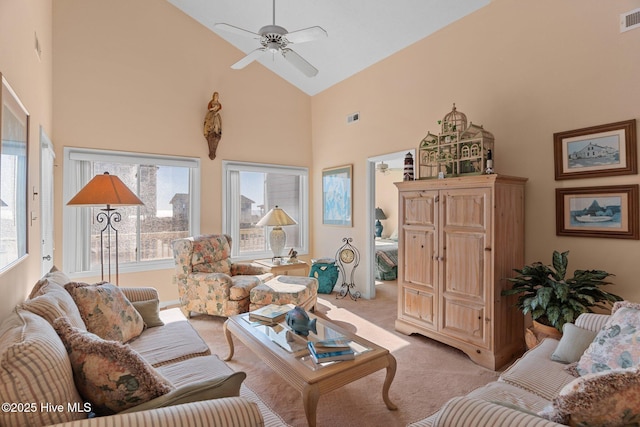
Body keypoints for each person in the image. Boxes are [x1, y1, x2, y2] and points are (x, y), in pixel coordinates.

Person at [203, 91, 222, 159]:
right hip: (211, 114)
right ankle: (211, 130)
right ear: (213, 96)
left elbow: (220, 109)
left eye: (217, 95)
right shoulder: (211, 103)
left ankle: (216, 131)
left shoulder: (219, 103)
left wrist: (217, 111)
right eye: (215, 95)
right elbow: (209, 108)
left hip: (216, 115)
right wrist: (213, 109)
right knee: (211, 122)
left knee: (217, 123)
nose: (216, 96)